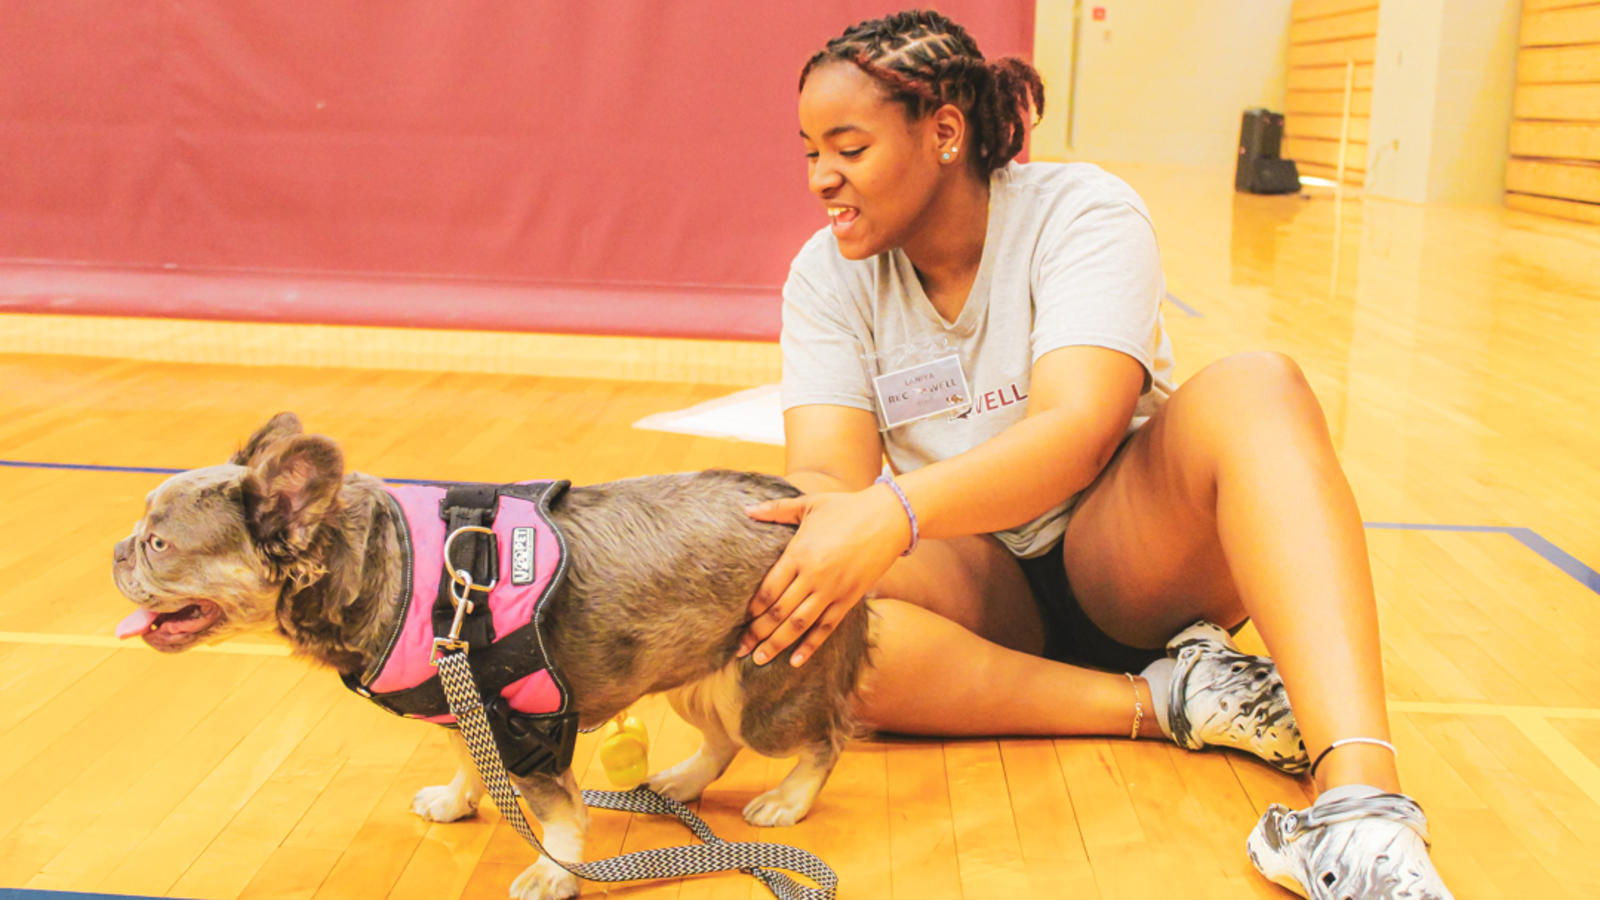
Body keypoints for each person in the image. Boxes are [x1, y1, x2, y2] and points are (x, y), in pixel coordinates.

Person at [735, 9, 1454, 900]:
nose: (821, 176)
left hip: (1127, 557)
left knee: (1257, 386)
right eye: (811, 151)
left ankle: (1360, 809)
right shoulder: (826, 274)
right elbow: (826, 483)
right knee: (798, 601)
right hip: (983, 587)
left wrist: (895, 509)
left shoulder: (1081, 212)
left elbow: (1076, 433)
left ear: (945, 133)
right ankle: (1172, 702)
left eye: (848, 147)